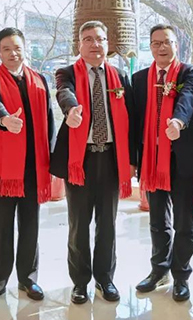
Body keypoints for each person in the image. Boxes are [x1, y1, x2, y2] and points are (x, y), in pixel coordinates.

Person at [51, 20, 135, 305]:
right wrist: (71, 110)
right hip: (80, 160)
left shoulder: (119, 77)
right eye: (88, 39)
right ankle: (79, 282)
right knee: (79, 225)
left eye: (100, 39)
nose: (95, 44)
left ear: (107, 44)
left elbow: (131, 120)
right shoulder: (67, 73)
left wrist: (131, 160)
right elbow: (64, 92)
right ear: (79, 45)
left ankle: (105, 278)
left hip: (111, 158)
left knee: (107, 224)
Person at [0, 27, 55, 308]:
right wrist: (5, 119)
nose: (13, 53)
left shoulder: (39, 80)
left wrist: (50, 158)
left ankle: (28, 279)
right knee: (2, 227)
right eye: (6, 49)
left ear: (25, 49)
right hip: (3, 169)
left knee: (30, 226)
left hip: (33, 166)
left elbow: (49, 120)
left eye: (17, 48)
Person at [132, 24, 193, 302]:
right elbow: (136, 121)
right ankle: (159, 270)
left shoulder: (189, 72)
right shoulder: (140, 79)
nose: (162, 47)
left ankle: (181, 276)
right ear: (150, 46)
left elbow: (188, 99)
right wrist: (133, 160)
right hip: (151, 159)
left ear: (177, 45)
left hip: (181, 158)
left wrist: (178, 121)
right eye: (156, 43)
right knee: (157, 221)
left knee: (184, 223)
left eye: (167, 42)